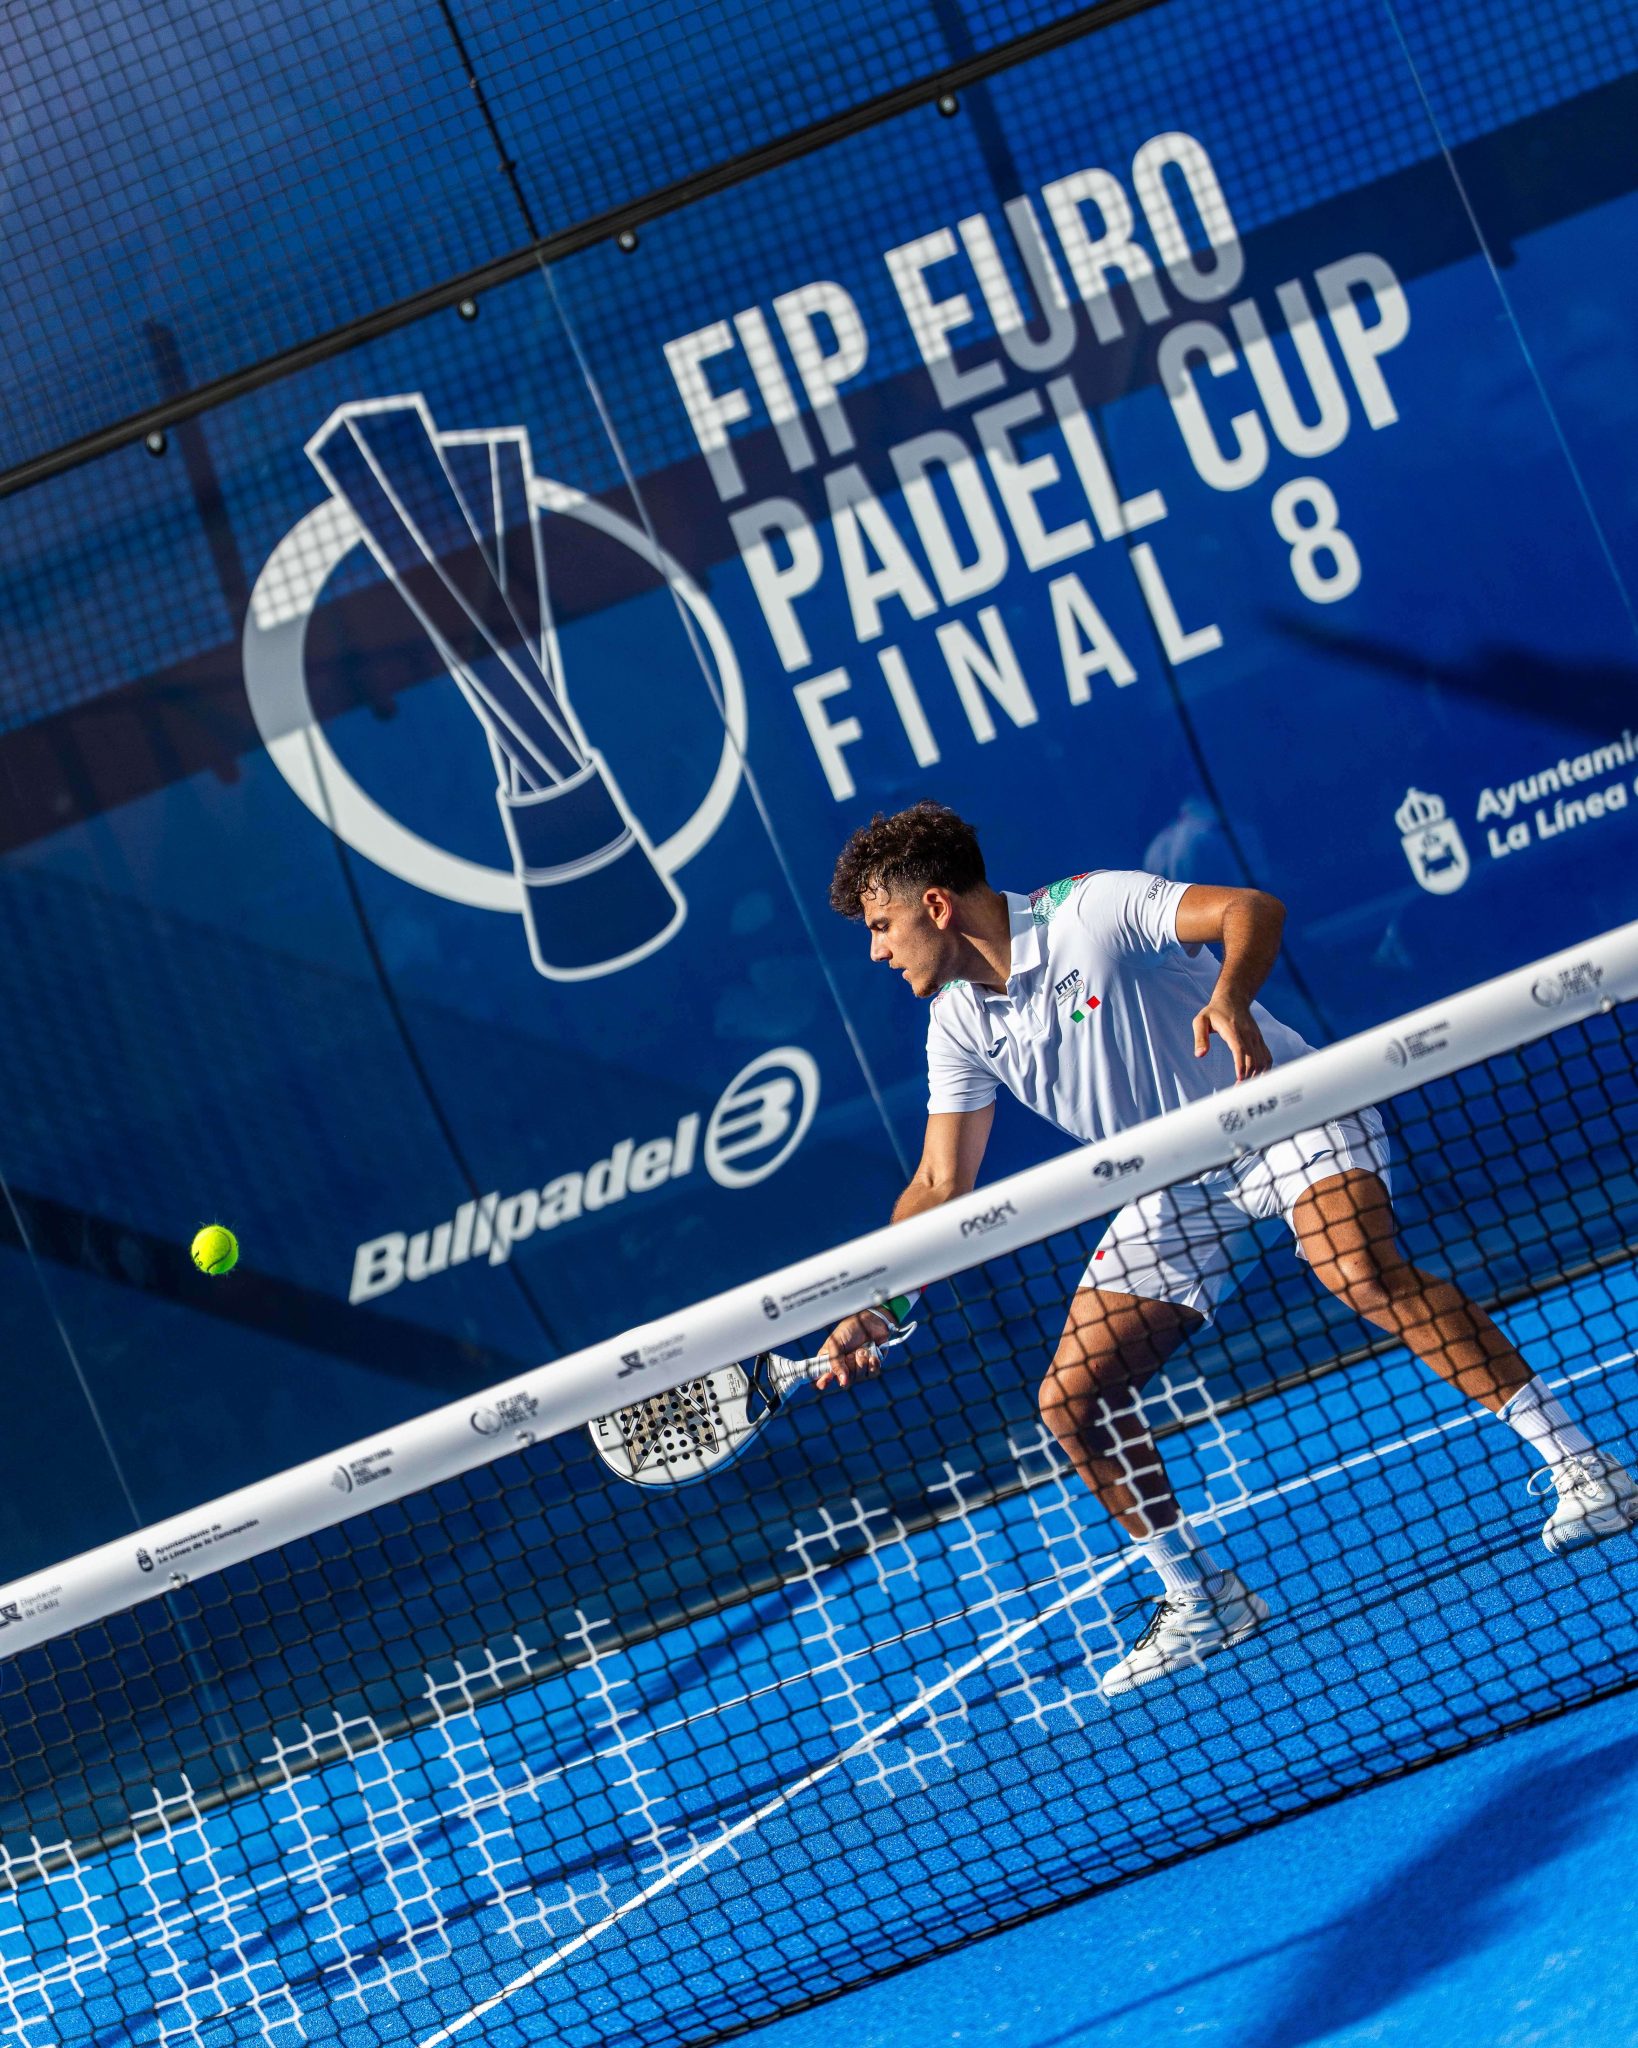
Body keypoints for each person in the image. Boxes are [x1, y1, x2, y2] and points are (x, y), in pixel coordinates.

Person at [819, 801, 1638, 1694]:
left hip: (1279, 1111)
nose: (877, 951)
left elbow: (1251, 909)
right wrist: (877, 1302)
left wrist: (1231, 996)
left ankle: (1586, 1467)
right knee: (1073, 1403)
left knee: (1360, 1271)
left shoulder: (1090, 910)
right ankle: (1203, 1596)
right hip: (1173, 1185)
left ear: (937, 906)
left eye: (881, 926)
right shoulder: (957, 1023)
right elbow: (940, 1184)